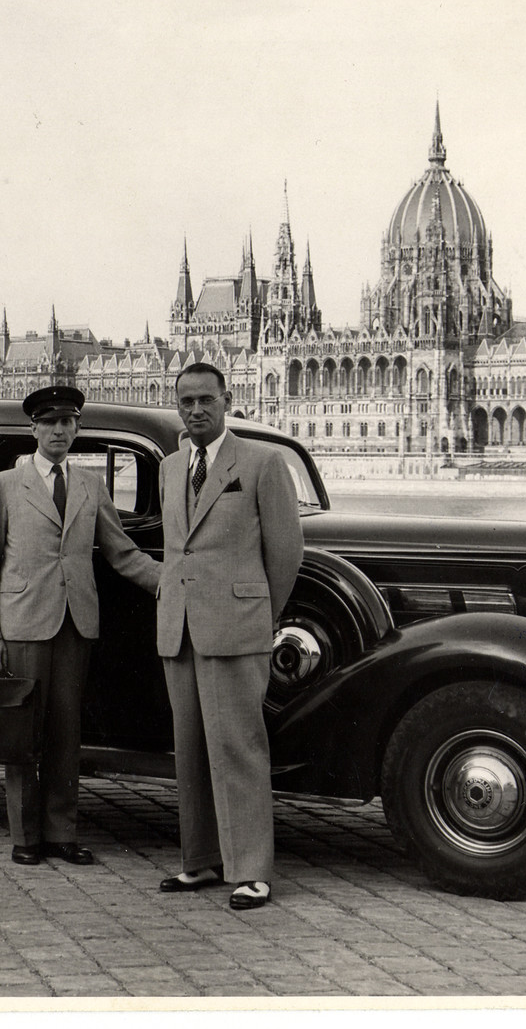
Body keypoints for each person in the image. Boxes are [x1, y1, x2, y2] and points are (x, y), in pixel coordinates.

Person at [0, 385, 161, 866]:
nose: (59, 431)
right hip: (23, 624)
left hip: (75, 625)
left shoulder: (90, 486)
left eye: (68, 423)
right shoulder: (4, 487)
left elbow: (122, 553)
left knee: (66, 733)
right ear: (33, 429)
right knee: (22, 734)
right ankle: (25, 837)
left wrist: (172, 582)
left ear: (77, 428)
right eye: (50, 422)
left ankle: (61, 833)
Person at [154, 362, 303, 910]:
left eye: (206, 400)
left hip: (237, 629)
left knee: (238, 748)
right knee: (190, 750)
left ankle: (251, 870)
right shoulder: (171, 467)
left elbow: (286, 554)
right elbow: (177, 550)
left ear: (227, 400)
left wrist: (259, 616)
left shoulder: (263, 463)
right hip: (181, 628)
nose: (196, 410)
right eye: (186, 401)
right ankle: (200, 861)